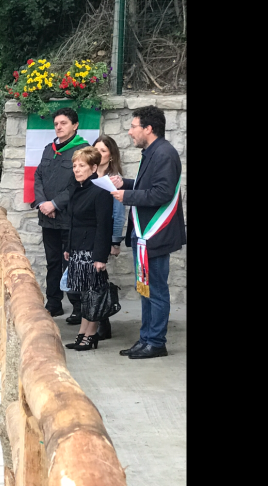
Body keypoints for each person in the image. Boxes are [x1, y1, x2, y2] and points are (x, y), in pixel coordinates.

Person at [109, 105, 184, 360]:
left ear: (148, 128)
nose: (130, 132)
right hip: (145, 236)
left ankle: (156, 342)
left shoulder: (164, 154)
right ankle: (146, 339)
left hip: (156, 234)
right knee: (145, 289)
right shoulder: (152, 151)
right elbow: (147, 186)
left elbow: (162, 193)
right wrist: (126, 184)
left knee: (157, 290)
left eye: (133, 127)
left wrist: (127, 196)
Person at [33, 107, 90, 321]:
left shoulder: (83, 150)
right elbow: (38, 177)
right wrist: (42, 203)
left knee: (72, 263)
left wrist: (55, 204)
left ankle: (77, 306)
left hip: (69, 219)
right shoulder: (49, 149)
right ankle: (54, 302)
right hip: (48, 218)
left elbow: (78, 184)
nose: (58, 127)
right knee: (53, 262)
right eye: (56, 123)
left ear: (75, 125)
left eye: (63, 123)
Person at [61, 147, 115, 351]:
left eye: (82, 165)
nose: (77, 169)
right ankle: (82, 333)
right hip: (77, 249)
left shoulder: (101, 190)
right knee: (85, 294)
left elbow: (104, 226)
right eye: (75, 165)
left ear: (93, 168)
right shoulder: (77, 188)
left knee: (93, 294)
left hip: (92, 251)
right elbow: (72, 221)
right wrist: (68, 247)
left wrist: (100, 257)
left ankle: (91, 335)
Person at [89, 135, 127, 341]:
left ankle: (102, 322)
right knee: (88, 280)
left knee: (98, 280)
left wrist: (114, 241)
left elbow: (118, 213)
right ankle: (90, 318)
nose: (98, 154)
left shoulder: (114, 180)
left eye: (103, 151)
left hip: (103, 237)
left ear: (111, 156)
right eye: (96, 149)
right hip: (87, 235)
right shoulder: (88, 175)